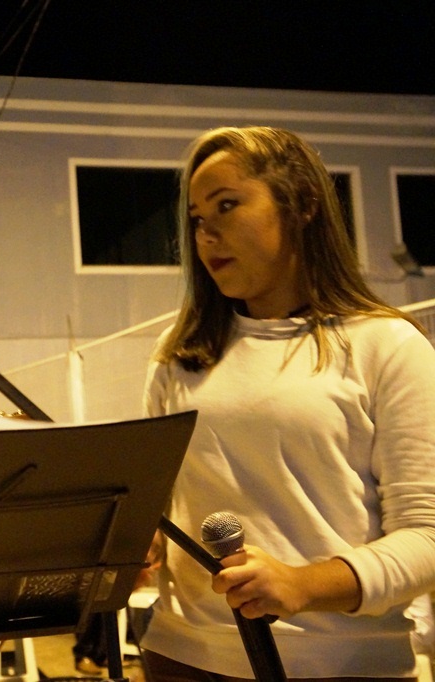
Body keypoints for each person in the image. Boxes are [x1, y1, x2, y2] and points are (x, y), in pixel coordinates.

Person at [140, 126, 435, 679]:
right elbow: (159, 508)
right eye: (197, 219)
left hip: (343, 667)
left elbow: (428, 535)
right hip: (180, 657)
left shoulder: (387, 346)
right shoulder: (178, 355)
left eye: (227, 205)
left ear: (302, 203)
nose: (207, 234)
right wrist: (140, 545)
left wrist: (302, 585)